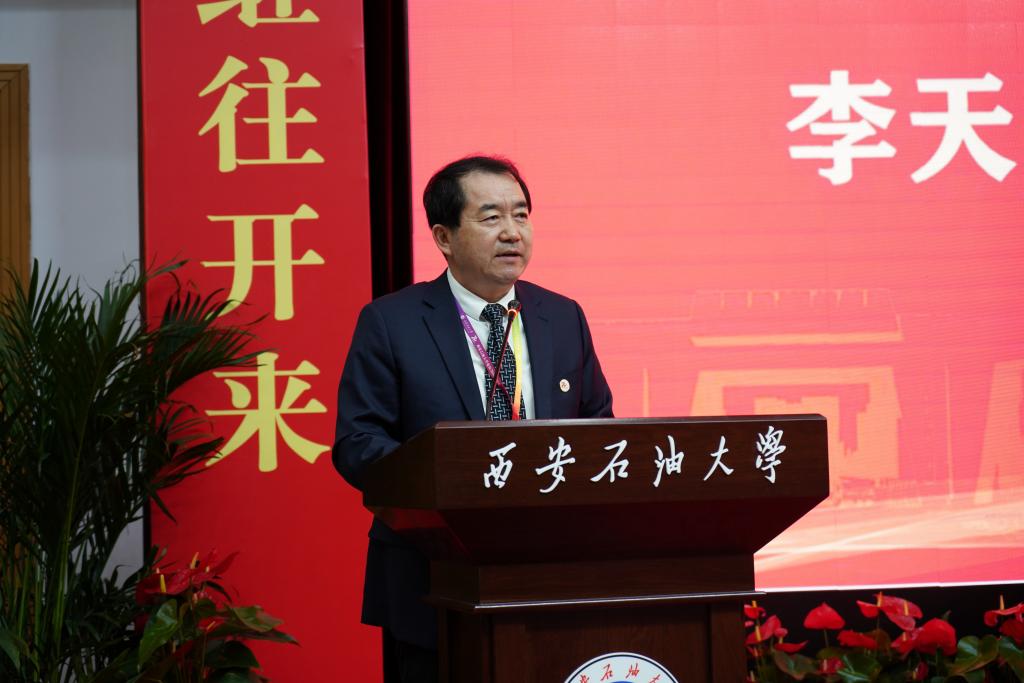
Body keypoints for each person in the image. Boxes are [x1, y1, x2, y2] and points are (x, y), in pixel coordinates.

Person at [333, 155, 613, 682]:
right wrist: (442, 484)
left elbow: (599, 426)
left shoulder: (562, 316)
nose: (512, 232)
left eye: (521, 215)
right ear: (444, 237)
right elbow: (357, 442)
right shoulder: (392, 322)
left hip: (550, 574)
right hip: (431, 578)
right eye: (491, 217)